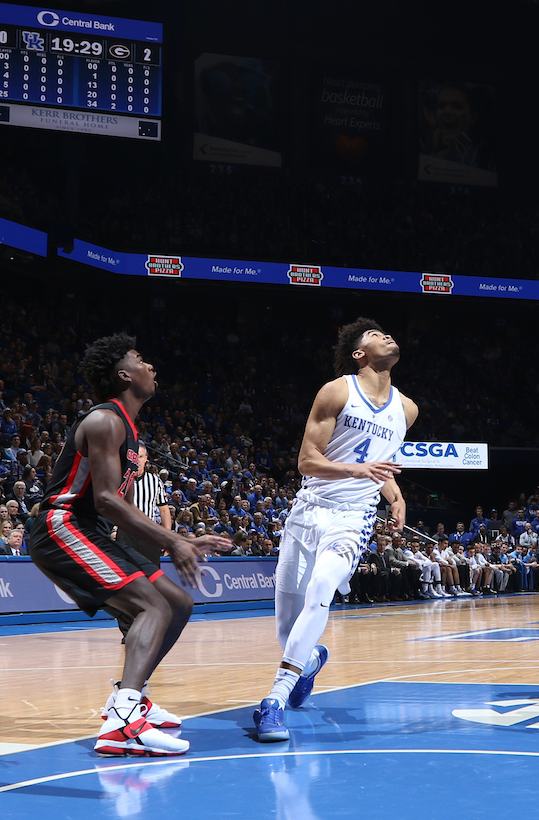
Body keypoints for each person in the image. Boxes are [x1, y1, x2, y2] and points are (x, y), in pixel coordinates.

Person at [26, 334, 224, 757]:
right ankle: (122, 723)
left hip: (86, 527)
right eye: (141, 359)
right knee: (152, 607)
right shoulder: (105, 421)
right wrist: (174, 541)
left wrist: (179, 539)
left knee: (177, 603)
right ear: (123, 375)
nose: (150, 366)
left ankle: (129, 699)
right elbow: (106, 500)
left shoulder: (130, 430)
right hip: (60, 525)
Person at [254, 319, 417, 742]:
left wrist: (394, 494)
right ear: (359, 354)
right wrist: (356, 469)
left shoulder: (408, 409)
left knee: (321, 590)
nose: (387, 335)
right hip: (309, 509)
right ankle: (308, 661)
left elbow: (379, 461)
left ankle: (274, 700)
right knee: (286, 629)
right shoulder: (337, 391)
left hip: (354, 515)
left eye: (388, 333)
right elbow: (307, 461)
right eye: (377, 335)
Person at [107, 440, 173, 643]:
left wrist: (167, 536)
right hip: (125, 534)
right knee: (125, 584)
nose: (137, 460)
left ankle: (151, 627)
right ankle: (129, 631)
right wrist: (113, 530)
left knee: (152, 585)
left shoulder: (155, 481)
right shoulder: (119, 480)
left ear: (146, 459)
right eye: (133, 456)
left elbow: (163, 509)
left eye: (141, 456)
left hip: (149, 535)